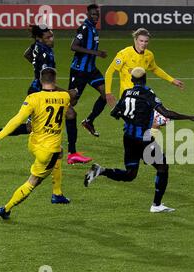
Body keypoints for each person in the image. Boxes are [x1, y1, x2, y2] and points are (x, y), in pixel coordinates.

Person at [84, 67, 194, 213]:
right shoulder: (147, 93)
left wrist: (130, 119)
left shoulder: (126, 92)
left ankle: (101, 171)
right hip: (143, 139)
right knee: (162, 167)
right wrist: (190, 117)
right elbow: (165, 113)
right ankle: (156, 205)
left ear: (132, 80)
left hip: (128, 138)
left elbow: (115, 113)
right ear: (145, 78)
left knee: (130, 174)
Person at [0, 68, 77, 220]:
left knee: (60, 151)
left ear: (41, 81)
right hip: (48, 152)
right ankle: (6, 209)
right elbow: (70, 109)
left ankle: (57, 193)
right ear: (55, 81)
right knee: (33, 181)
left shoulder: (33, 98)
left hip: (34, 143)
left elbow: (17, 120)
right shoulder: (64, 96)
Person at [0, 25, 56, 148]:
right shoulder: (44, 54)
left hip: (37, 88)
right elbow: (45, 77)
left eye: (52, 36)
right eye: (48, 37)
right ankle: (69, 152)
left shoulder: (38, 45)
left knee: (31, 127)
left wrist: (35, 64)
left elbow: (27, 54)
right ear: (40, 38)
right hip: (39, 91)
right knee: (65, 114)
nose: (52, 39)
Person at [104, 28, 184, 139]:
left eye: (146, 41)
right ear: (135, 40)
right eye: (141, 41)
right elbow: (109, 72)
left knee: (159, 122)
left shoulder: (149, 55)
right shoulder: (124, 54)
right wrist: (108, 93)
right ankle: (144, 145)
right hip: (129, 97)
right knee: (157, 121)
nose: (144, 44)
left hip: (142, 95)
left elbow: (155, 68)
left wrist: (172, 80)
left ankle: (142, 142)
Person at [67, 4, 108, 164]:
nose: (95, 17)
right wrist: (96, 53)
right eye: (92, 15)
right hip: (79, 70)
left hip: (91, 69)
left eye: (97, 15)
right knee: (72, 102)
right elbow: (73, 47)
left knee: (105, 93)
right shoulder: (84, 28)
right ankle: (49, 117)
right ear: (87, 14)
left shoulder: (93, 29)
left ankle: (89, 121)